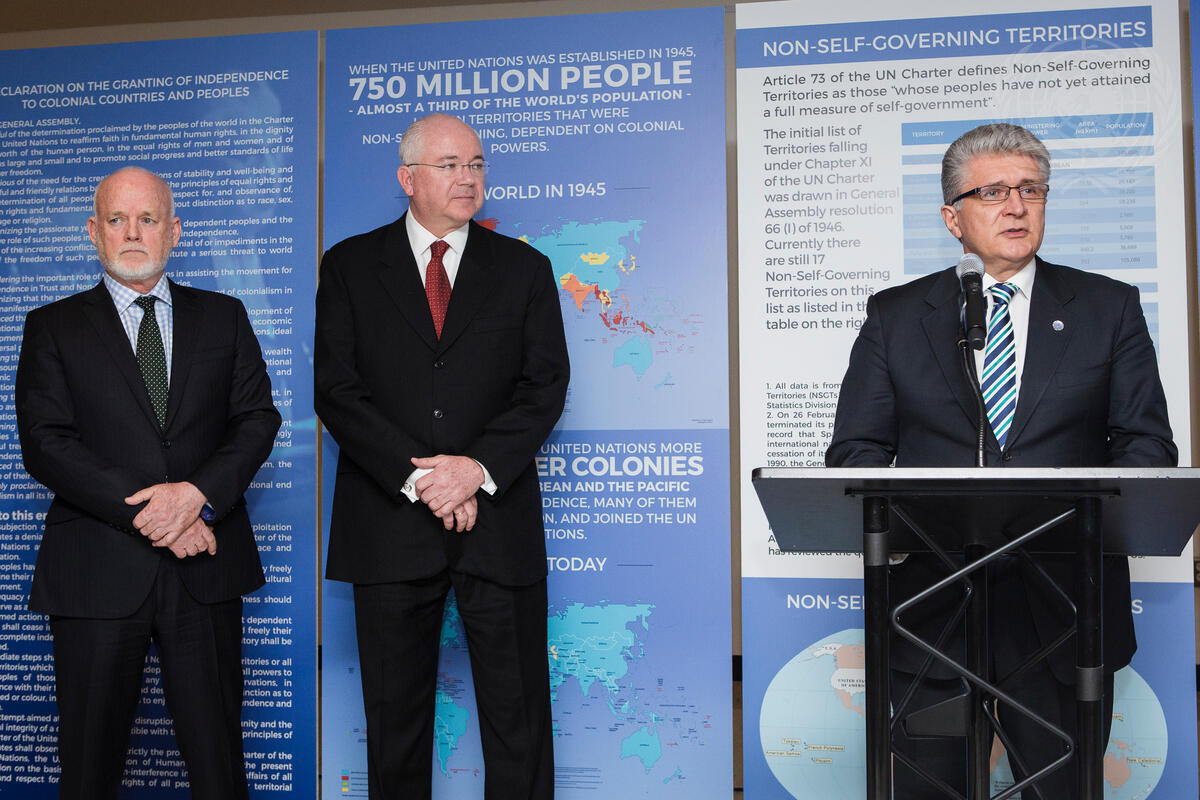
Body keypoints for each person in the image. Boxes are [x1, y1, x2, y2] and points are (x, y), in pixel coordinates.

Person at [825, 123, 1175, 797]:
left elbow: (1146, 447)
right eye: (993, 192)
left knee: (1062, 789)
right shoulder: (897, 316)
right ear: (952, 218)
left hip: (1064, 606)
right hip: (932, 607)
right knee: (931, 789)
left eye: (1030, 190)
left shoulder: (1108, 307)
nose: (1016, 206)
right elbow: (855, 451)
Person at [315, 113, 569, 799]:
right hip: (389, 526)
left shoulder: (525, 268)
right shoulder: (348, 266)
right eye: (450, 164)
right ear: (408, 178)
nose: (468, 178)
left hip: (498, 526)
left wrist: (472, 472)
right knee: (394, 728)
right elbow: (337, 391)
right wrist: (423, 479)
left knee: (519, 725)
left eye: (477, 164)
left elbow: (545, 387)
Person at [15, 166, 281, 798]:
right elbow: (46, 444)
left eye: (148, 219)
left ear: (174, 231)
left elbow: (256, 420)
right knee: (88, 770)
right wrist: (159, 516)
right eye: (117, 220)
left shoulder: (224, 317)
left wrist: (195, 498)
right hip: (96, 573)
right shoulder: (52, 326)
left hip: (206, 572)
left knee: (219, 769)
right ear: (94, 231)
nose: (132, 232)